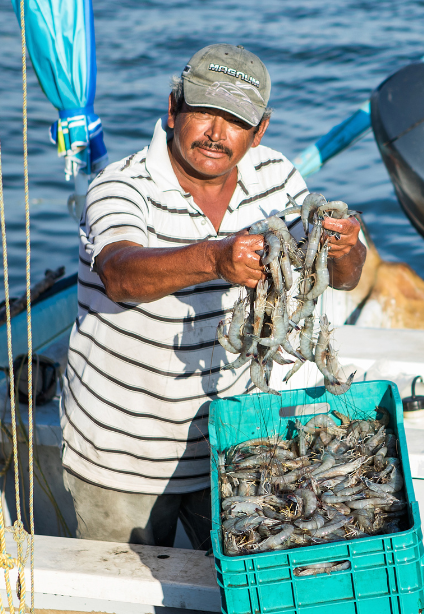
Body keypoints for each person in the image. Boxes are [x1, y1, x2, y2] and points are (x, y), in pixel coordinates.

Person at [60, 43, 366, 550]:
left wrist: (344, 247)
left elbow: (346, 277)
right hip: (121, 458)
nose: (215, 134)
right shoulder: (119, 185)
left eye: (235, 121)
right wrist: (213, 258)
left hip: (235, 447)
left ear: (260, 130)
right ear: (174, 106)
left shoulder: (277, 176)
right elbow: (119, 274)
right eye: (203, 111)